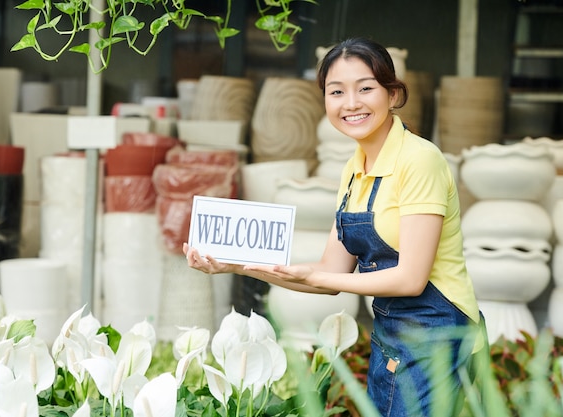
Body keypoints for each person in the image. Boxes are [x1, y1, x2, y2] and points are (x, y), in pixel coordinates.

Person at [183, 37, 486, 417]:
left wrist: (320, 280)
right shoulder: (354, 168)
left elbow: (410, 279)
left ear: (393, 95)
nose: (351, 103)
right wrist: (236, 265)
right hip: (393, 335)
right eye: (336, 91)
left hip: (440, 334)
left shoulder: (420, 160)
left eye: (365, 88)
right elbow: (330, 272)